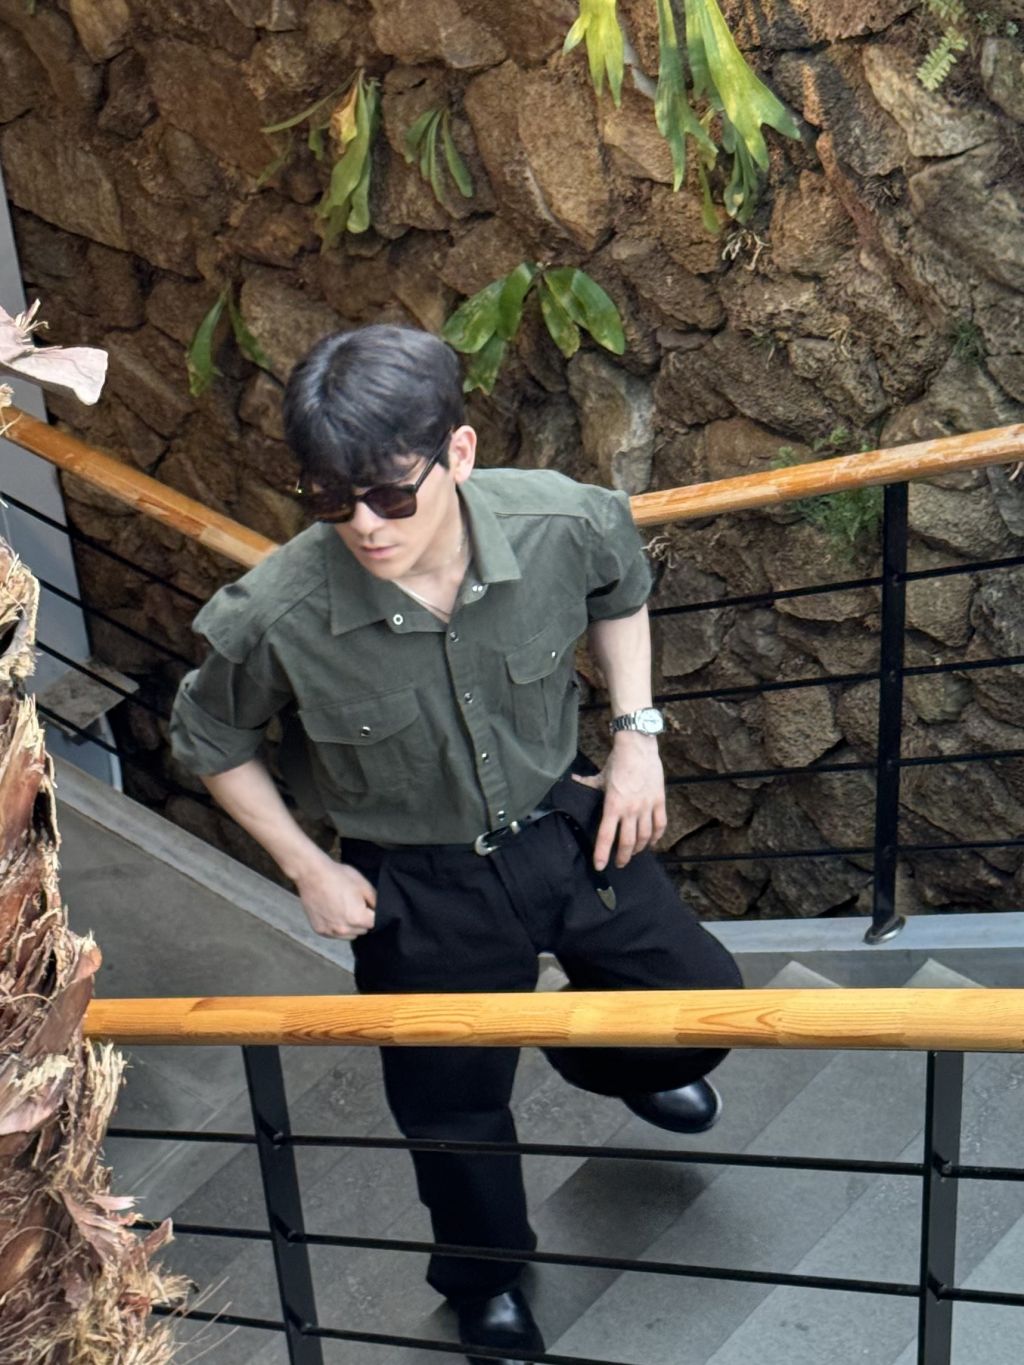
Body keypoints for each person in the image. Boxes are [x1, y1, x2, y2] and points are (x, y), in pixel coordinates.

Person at [170, 324, 743, 1365]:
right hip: (416, 883)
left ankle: (599, 1052)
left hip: (565, 824)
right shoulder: (278, 613)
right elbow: (209, 738)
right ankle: (487, 1281)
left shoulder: (558, 520)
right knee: (450, 1112)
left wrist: (638, 735)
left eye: (390, 495)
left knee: (704, 1003)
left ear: (460, 452)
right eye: (330, 499)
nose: (364, 525)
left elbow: (621, 588)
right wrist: (307, 866)